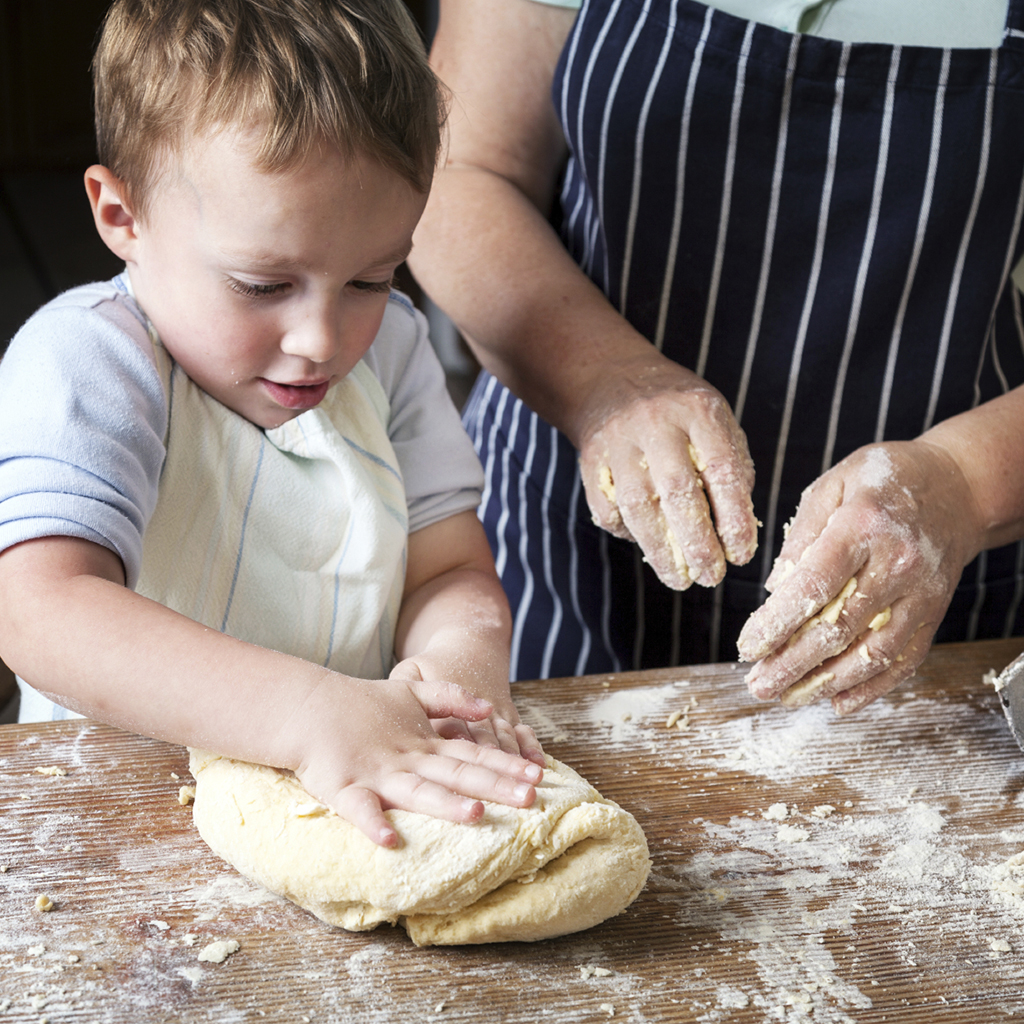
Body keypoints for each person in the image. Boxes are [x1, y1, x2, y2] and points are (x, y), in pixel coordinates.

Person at [0, 0, 546, 848]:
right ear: (122, 217)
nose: (322, 340)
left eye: (371, 278)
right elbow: (38, 608)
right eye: (262, 285)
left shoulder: (393, 352)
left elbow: (446, 573)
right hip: (112, 824)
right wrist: (305, 714)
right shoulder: (90, 362)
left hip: (343, 810)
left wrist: (457, 676)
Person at [409, 0, 1024, 714]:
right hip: (566, 555)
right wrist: (605, 379)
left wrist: (964, 484)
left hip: (933, 591)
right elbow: (460, 171)